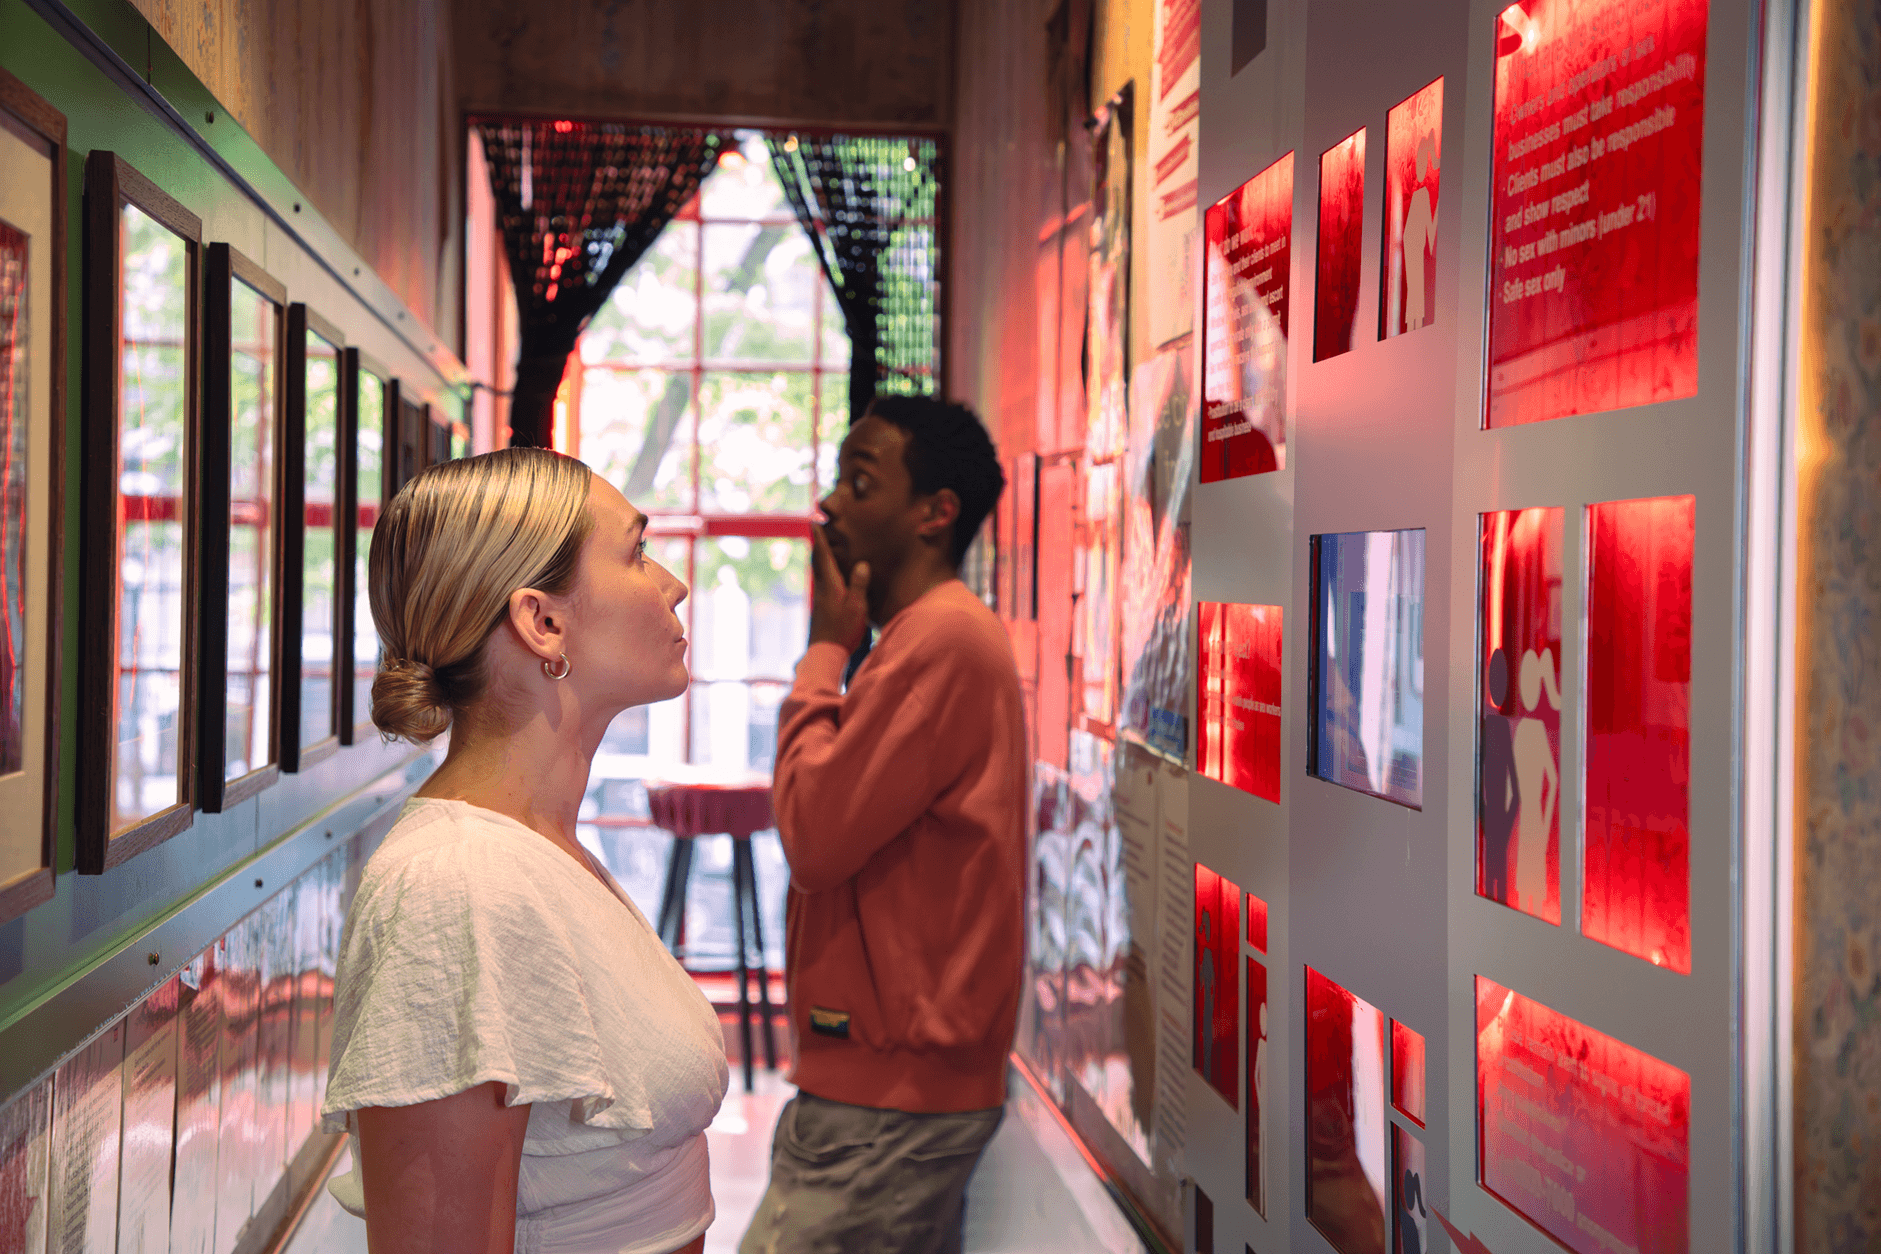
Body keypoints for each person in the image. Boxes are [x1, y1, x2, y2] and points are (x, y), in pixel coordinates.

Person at [320, 448, 729, 1254]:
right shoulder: (455, 887)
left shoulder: (538, 853)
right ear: (542, 622)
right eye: (637, 553)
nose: (672, 584)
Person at [741, 396, 1024, 1254]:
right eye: (836, 478)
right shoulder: (927, 637)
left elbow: (814, 838)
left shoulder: (936, 640)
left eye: (860, 483)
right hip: (899, 1082)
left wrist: (825, 649)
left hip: (889, 1094)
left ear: (935, 513)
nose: (829, 504)